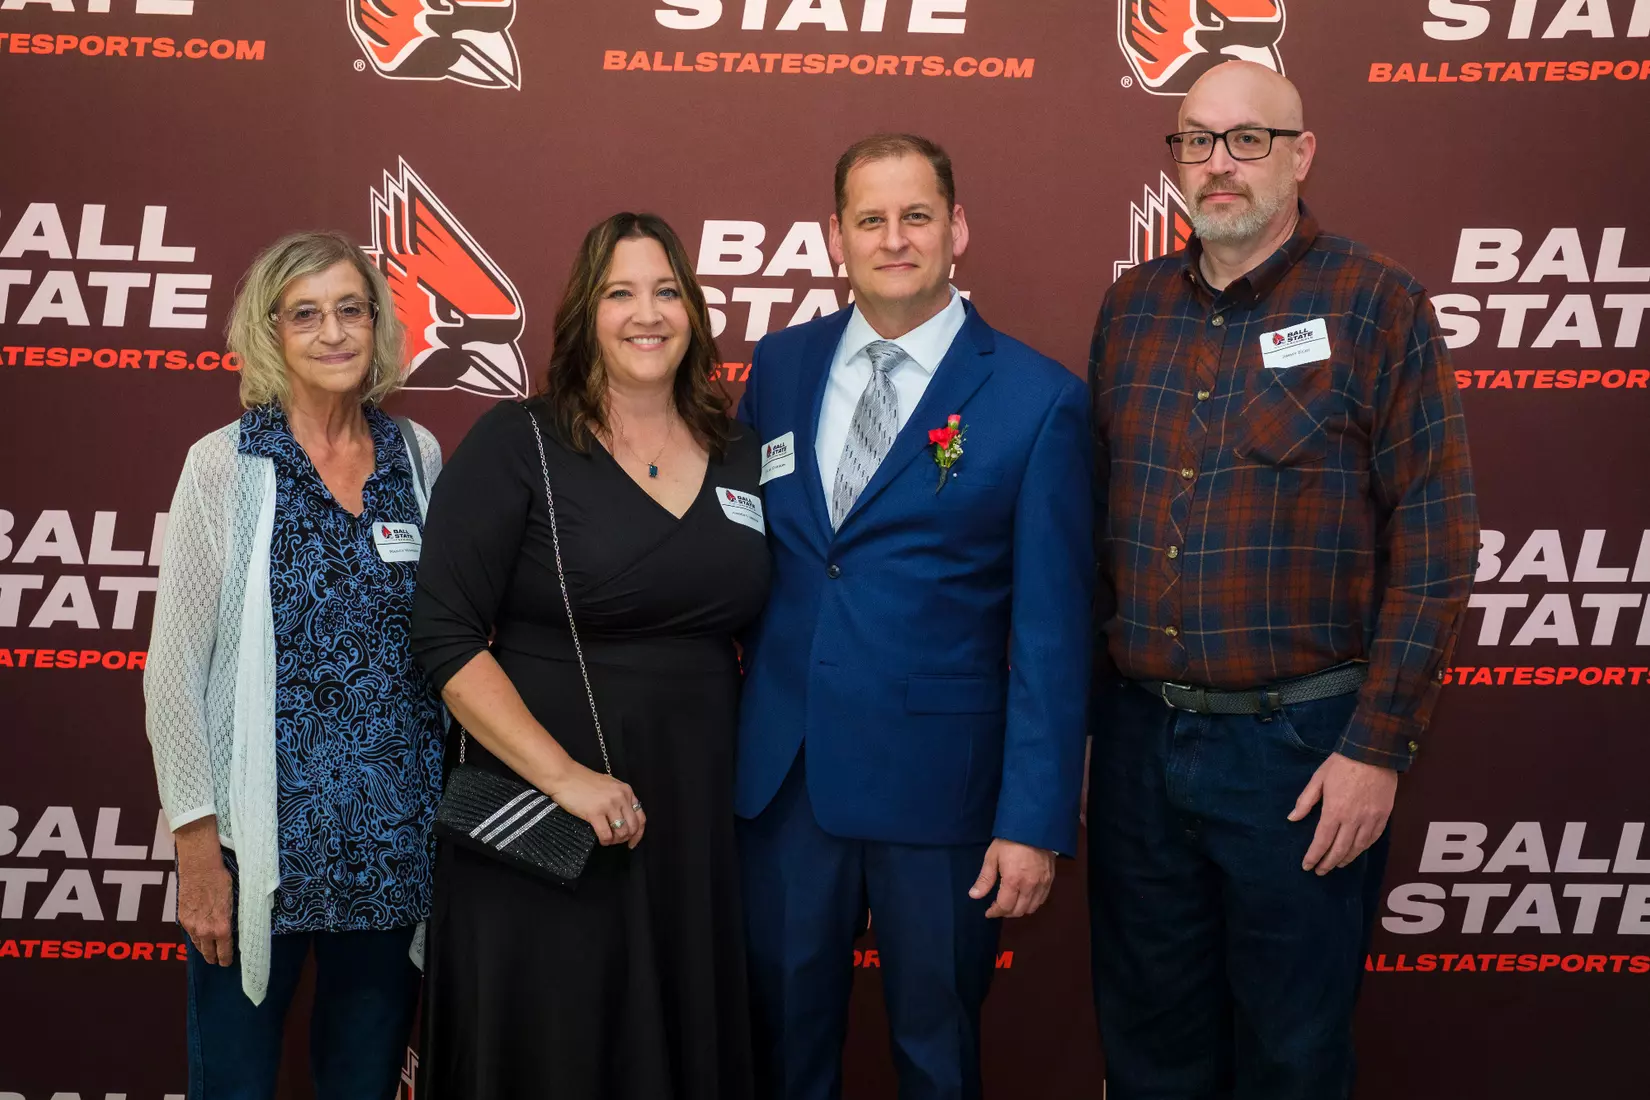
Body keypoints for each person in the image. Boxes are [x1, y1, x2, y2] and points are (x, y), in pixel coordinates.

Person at [1086, 61, 1479, 1099]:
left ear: (1301, 155)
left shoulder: (1378, 302)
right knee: (1149, 1054)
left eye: (1247, 139)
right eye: (1195, 141)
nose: (1218, 165)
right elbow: (1094, 538)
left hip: (1301, 757)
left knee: (1293, 1058)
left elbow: (1436, 542)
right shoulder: (1129, 311)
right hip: (1138, 747)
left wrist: (1378, 746)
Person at [735, 133, 1092, 1100]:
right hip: (786, 785)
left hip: (945, 801)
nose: (895, 239)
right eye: (871, 219)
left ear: (956, 228)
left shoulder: (1038, 399)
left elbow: (1053, 637)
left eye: (917, 216)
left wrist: (1033, 820)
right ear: (835, 237)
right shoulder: (779, 368)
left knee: (937, 1057)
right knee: (781, 1049)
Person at [409, 212, 769, 1100]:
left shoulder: (746, 455)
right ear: (585, 314)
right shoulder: (517, 441)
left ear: (692, 308)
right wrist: (564, 778)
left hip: (693, 817)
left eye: (666, 290)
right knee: (553, 1051)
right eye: (620, 293)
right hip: (547, 819)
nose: (646, 314)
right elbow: (445, 633)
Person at [144, 230, 446, 1099]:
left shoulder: (417, 458)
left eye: (351, 309)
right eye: (305, 314)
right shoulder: (226, 466)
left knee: (365, 1083)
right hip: (256, 850)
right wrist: (198, 851)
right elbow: (172, 675)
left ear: (379, 324)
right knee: (233, 1084)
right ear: (270, 332)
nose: (334, 332)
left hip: (393, 848)